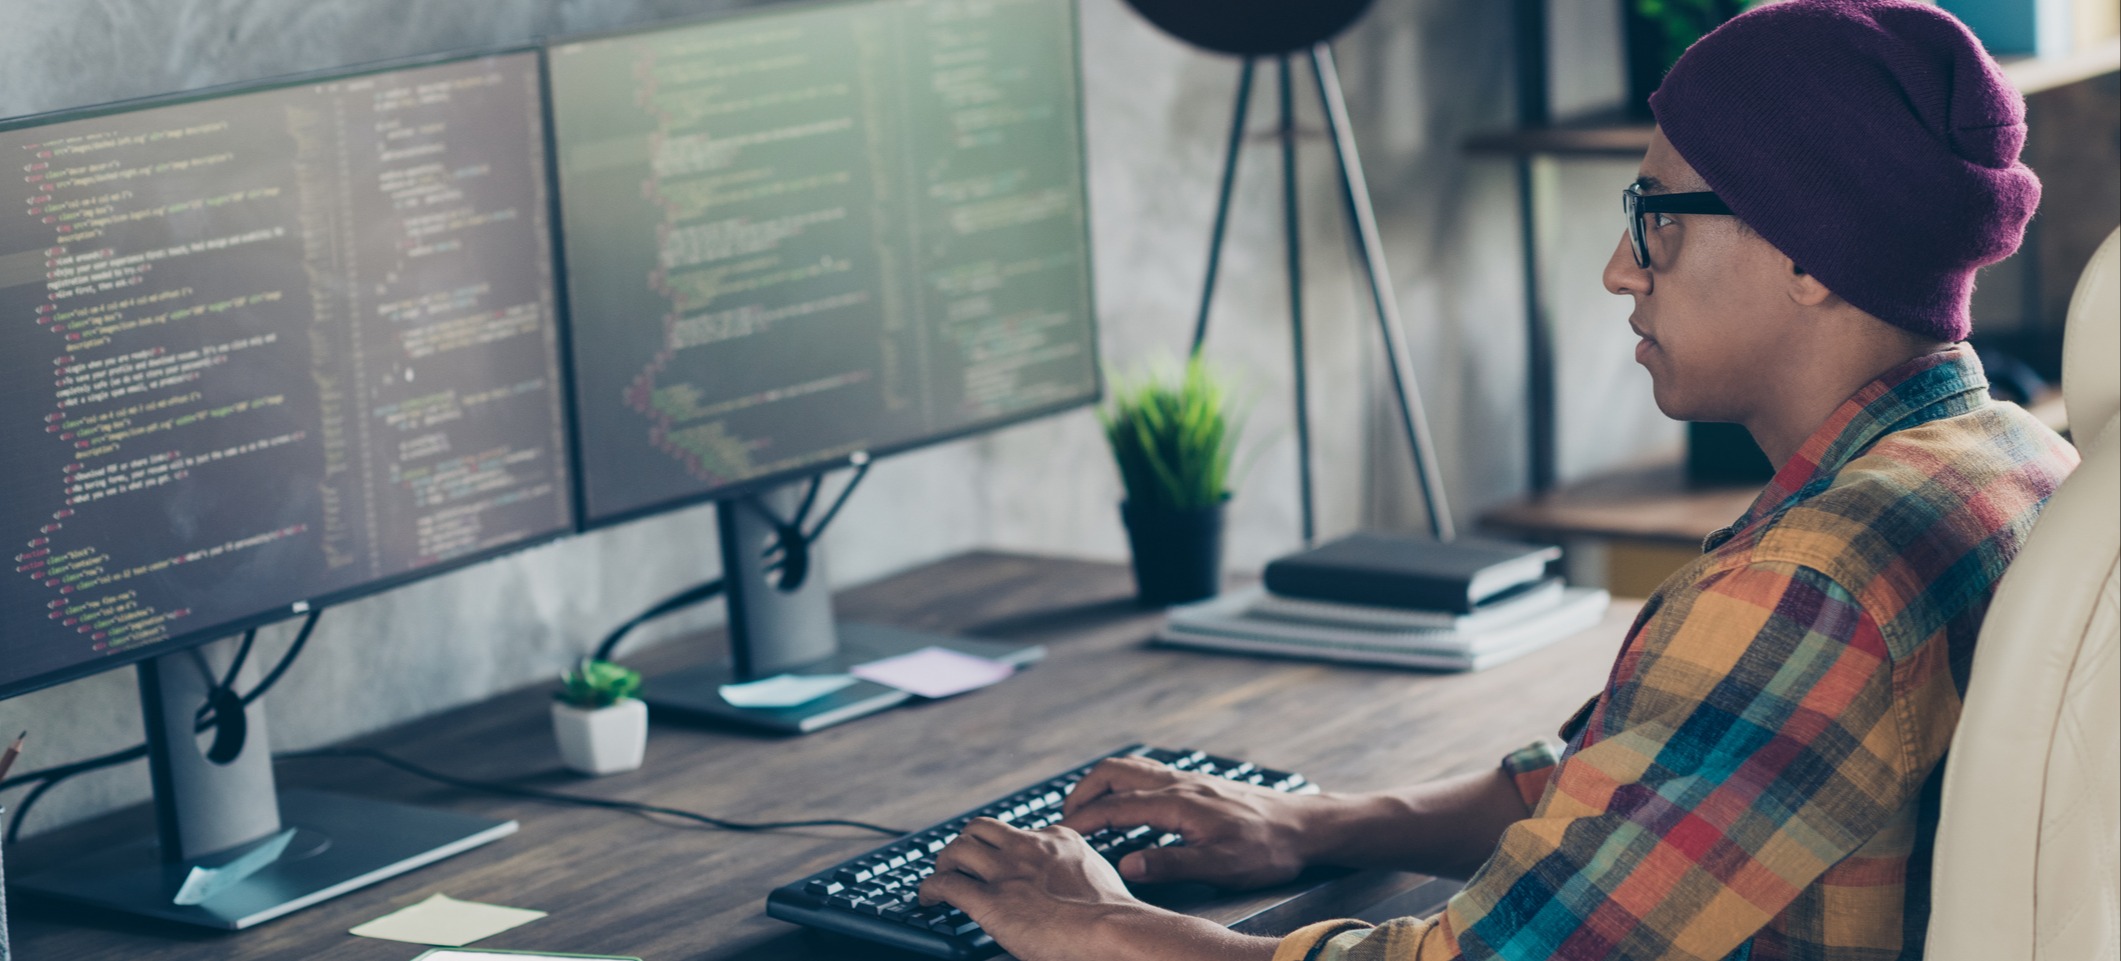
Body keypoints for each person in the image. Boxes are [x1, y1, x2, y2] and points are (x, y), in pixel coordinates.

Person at [914, 1, 2085, 959]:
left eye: (1656, 217)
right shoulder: (2016, 465)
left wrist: (1096, 924)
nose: (1621, 268)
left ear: (1807, 251)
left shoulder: (1814, 586)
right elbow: (1647, 782)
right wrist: (1310, 823)